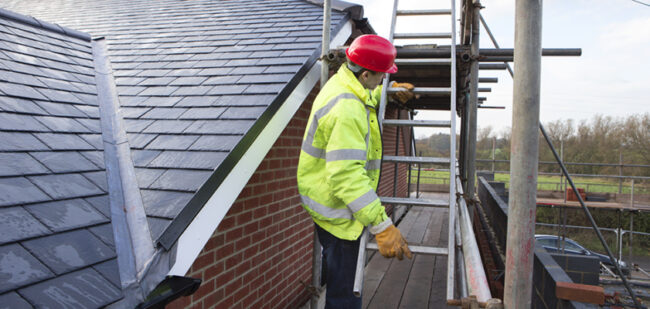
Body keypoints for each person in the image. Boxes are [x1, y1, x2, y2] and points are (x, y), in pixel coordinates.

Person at [297, 34, 415, 308]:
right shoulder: (347, 109)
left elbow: (367, 91)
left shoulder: (344, 82)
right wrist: (383, 226)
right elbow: (346, 177)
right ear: (364, 74)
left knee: (339, 276)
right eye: (382, 76)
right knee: (346, 297)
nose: (383, 80)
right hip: (340, 211)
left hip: (330, 203)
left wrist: (390, 90)